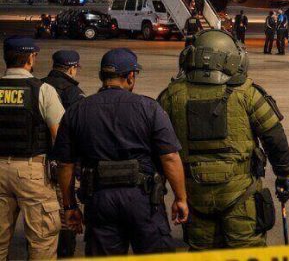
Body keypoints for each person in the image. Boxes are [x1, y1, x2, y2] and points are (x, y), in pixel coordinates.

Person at [158, 30, 289, 250]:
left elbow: (160, 149)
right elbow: (274, 138)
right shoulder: (248, 94)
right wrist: (284, 174)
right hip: (241, 197)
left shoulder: (171, 96)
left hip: (195, 197)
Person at [52, 48, 188, 256]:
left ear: (101, 77)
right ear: (130, 76)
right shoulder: (149, 108)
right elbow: (170, 156)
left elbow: (65, 164)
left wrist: (70, 205)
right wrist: (181, 198)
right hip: (143, 199)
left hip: (99, 201)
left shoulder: (78, 111)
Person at [0, 36, 65, 260]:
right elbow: (60, 136)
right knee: (41, 241)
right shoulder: (43, 90)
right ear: (31, 58)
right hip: (32, 171)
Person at [43, 50, 84, 257]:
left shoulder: (39, 86)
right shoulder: (74, 94)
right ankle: (64, 253)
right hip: (63, 163)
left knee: (43, 217)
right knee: (66, 212)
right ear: (71, 68)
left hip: (38, 162)